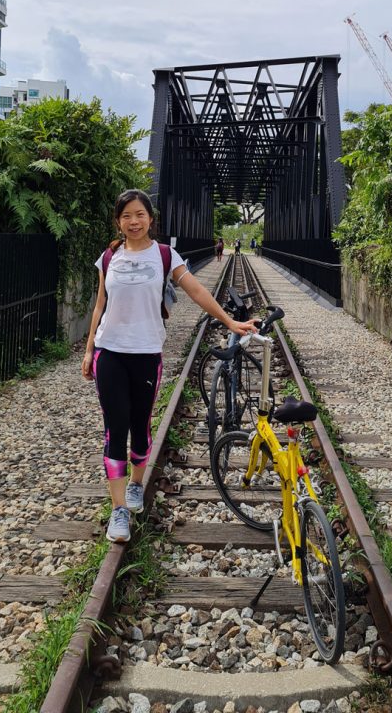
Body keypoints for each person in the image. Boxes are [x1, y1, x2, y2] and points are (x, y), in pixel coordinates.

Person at [82, 189, 257, 542]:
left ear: (150, 219)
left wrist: (229, 322)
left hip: (146, 353)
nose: (134, 221)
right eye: (127, 216)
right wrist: (89, 351)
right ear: (118, 221)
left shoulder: (164, 255)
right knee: (114, 429)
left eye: (140, 215)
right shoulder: (109, 256)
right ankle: (118, 510)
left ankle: (136, 484)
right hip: (109, 352)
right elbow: (100, 305)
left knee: (140, 426)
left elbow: (196, 291)